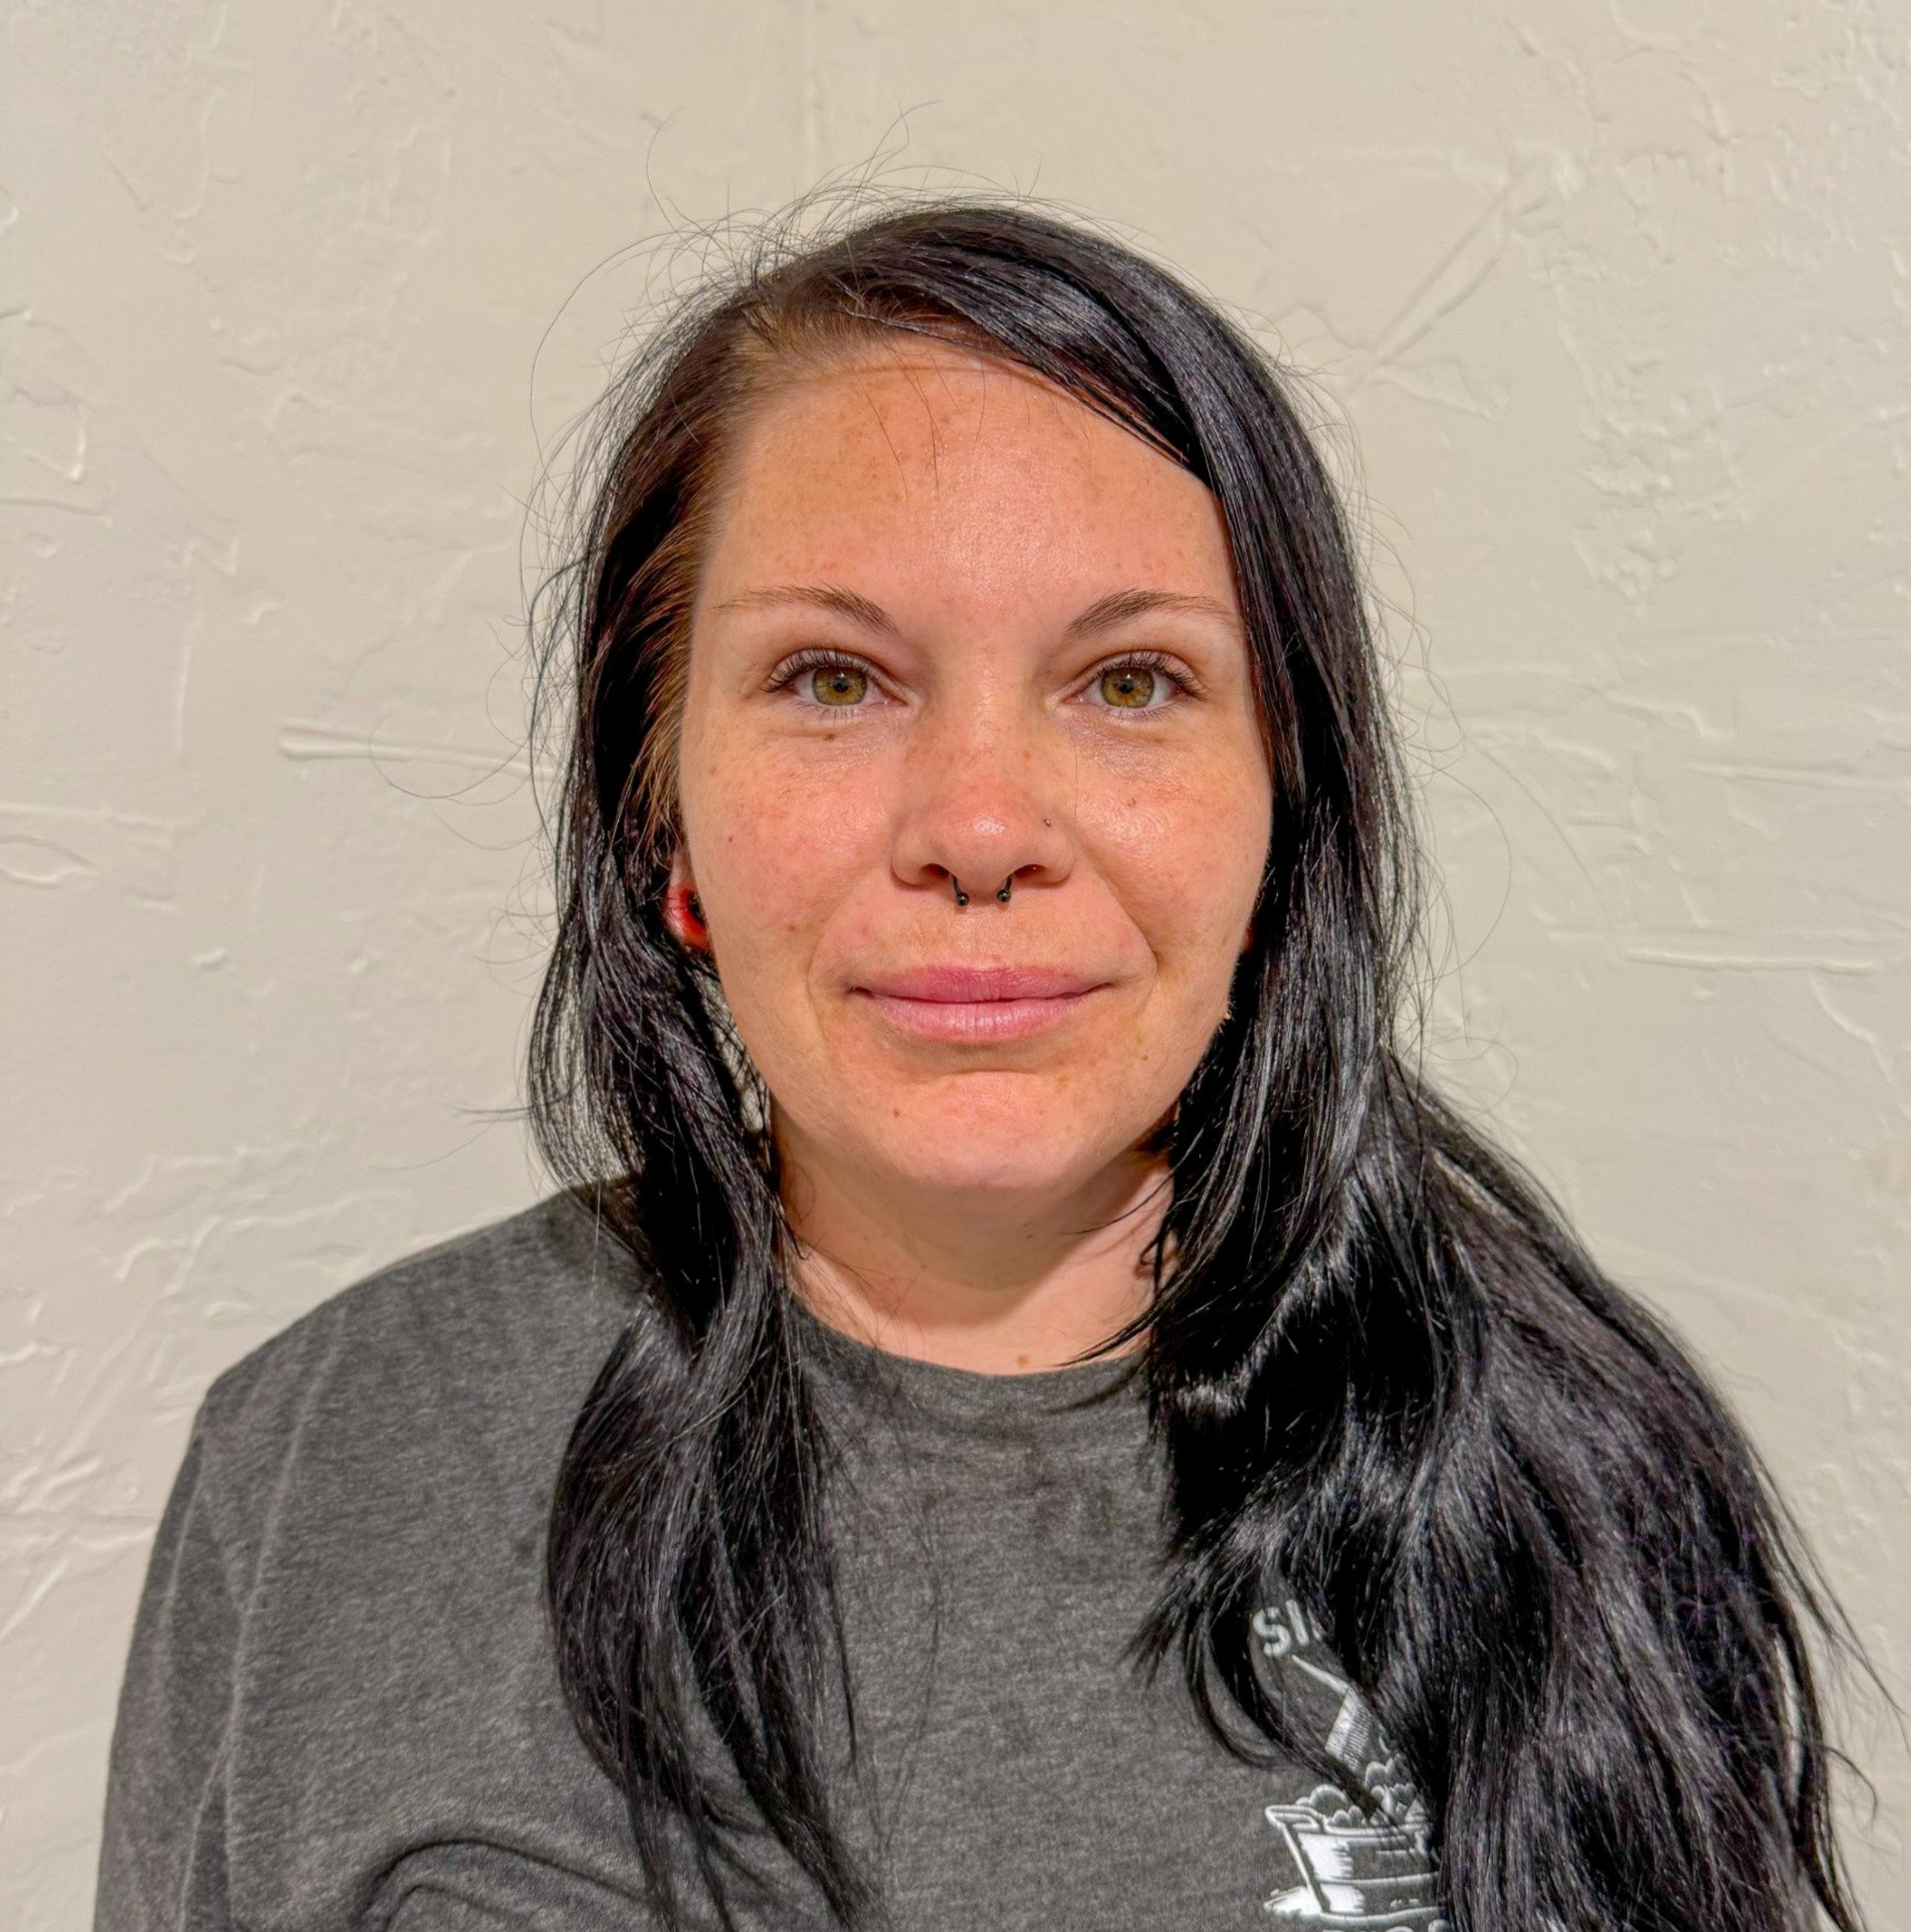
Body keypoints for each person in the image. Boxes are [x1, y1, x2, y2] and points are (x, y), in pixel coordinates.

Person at [94, 190, 1887, 1932]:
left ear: (1284, 818)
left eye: (1131, 683)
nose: (978, 827)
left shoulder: (1573, 1470)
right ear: (664, 816)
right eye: (832, 679)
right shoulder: (325, 1459)